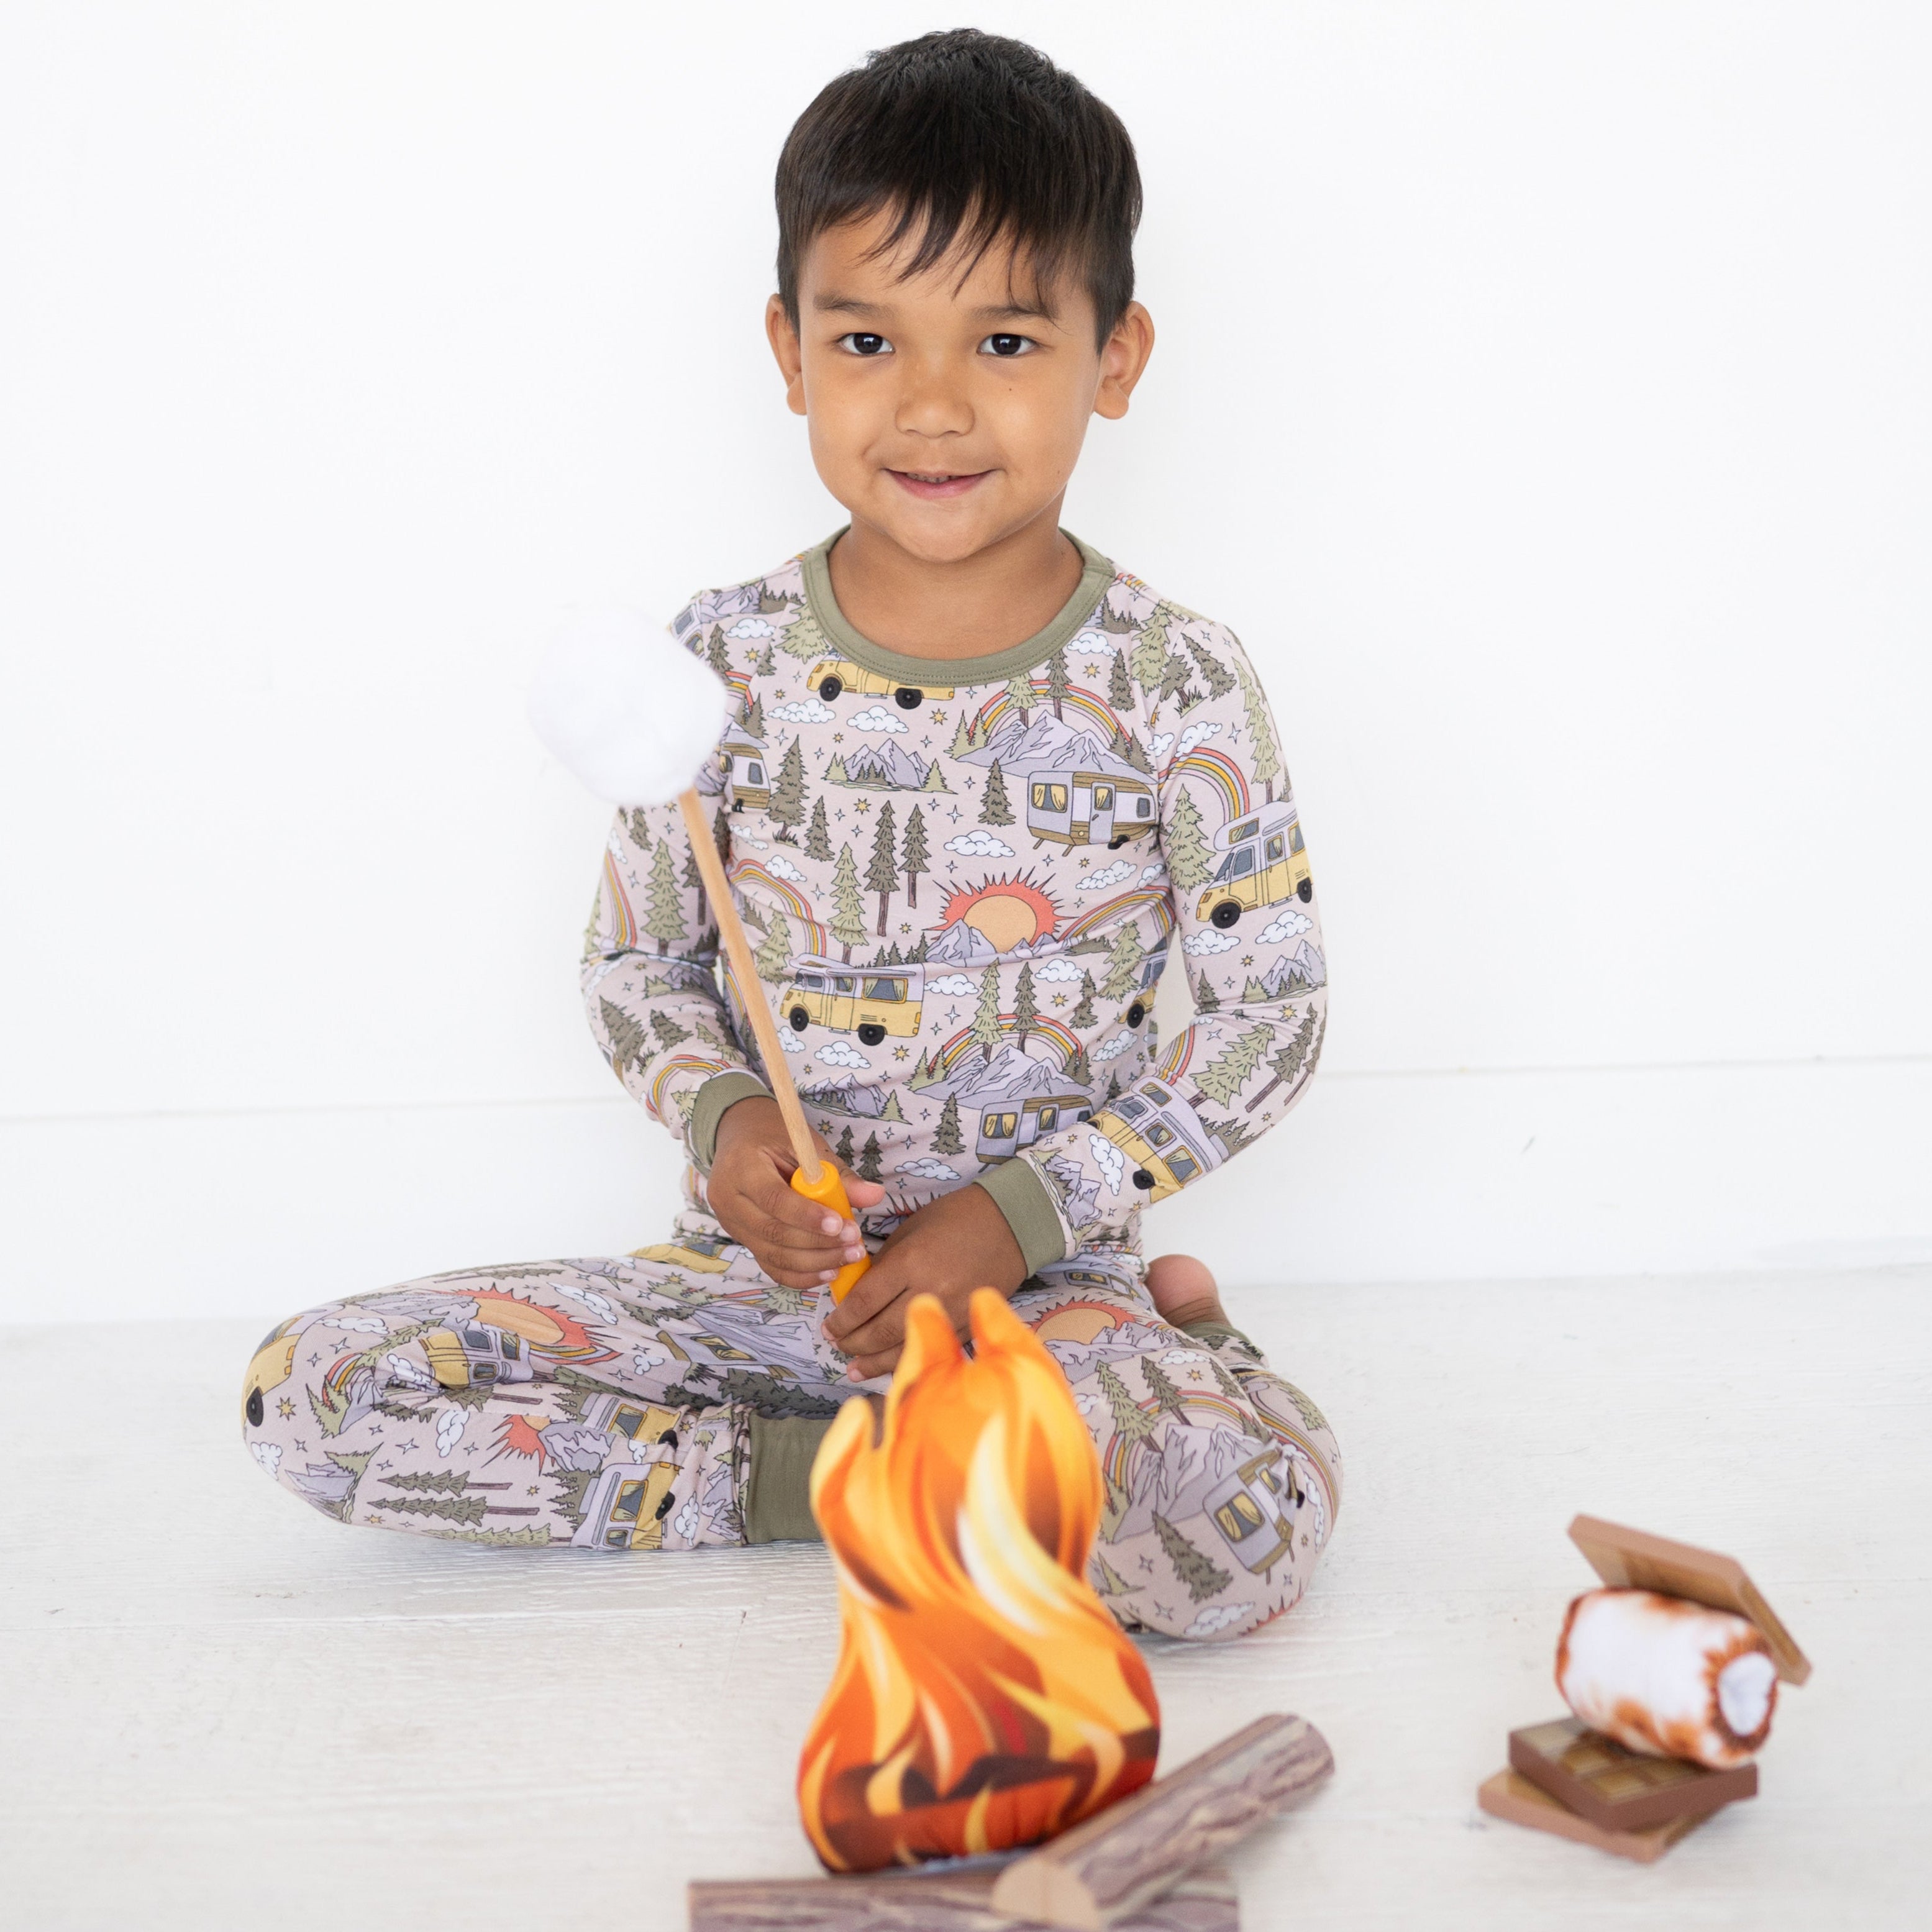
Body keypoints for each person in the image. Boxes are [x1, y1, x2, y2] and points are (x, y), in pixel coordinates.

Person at [242, 28, 1339, 1642]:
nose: (934, 404)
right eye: (869, 339)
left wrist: (1014, 1223)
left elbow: (1269, 1016)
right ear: (791, 350)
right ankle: (848, 1480)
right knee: (315, 1392)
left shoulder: (1178, 683)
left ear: (1116, 358)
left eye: (1008, 340)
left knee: (1231, 1534)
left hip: (1047, 1309)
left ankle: (1187, 1357)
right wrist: (727, 1123)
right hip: (757, 1310)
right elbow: (637, 967)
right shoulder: (722, 660)